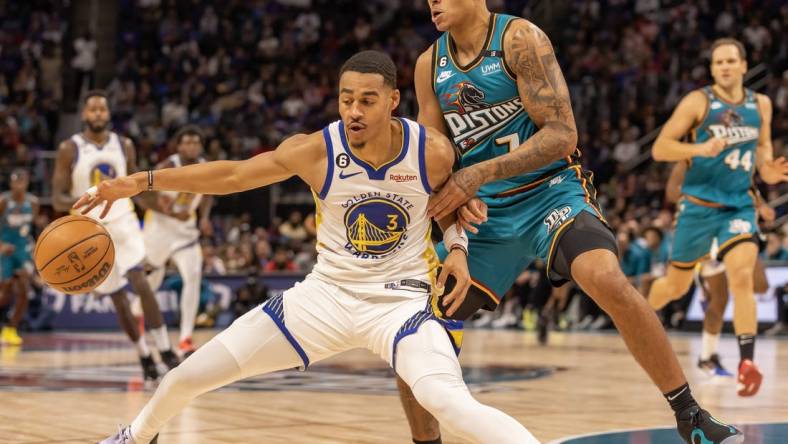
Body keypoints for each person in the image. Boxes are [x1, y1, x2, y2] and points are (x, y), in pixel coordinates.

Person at [85, 51, 539, 444]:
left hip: (401, 302)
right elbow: (234, 176)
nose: (354, 110)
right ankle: (136, 436)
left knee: (450, 404)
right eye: (346, 99)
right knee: (184, 377)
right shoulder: (317, 150)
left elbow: (450, 208)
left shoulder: (431, 152)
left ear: (394, 100)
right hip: (324, 297)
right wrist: (140, 181)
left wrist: (457, 248)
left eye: (367, 100)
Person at [396, 2, 743, 443]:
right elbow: (437, 167)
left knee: (605, 278)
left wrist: (481, 172)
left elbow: (562, 134)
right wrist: (456, 238)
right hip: (487, 215)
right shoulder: (429, 65)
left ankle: (689, 412)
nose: (433, 1)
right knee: (412, 330)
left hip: (550, 193)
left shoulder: (520, 40)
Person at [648, 38, 788, 397]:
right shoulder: (698, 101)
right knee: (674, 287)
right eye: (718, 62)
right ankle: (639, 312)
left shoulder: (762, 105)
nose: (724, 67)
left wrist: (768, 172)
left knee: (742, 278)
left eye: (731, 61)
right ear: (712, 69)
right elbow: (660, 148)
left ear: (744, 65)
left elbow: (762, 151)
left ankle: (746, 362)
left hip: (738, 207)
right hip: (697, 208)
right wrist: (698, 148)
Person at [52, 90, 180, 381]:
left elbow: (135, 185)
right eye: (93, 110)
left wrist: (155, 203)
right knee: (117, 297)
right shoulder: (68, 149)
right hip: (89, 231)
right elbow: (57, 196)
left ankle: (165, 349)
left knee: (141, 282)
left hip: (123, 220)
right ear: (84, 114)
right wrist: (83, 199)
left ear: (108, 114)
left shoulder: (124, 145)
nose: (98, 114)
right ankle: (144, 355)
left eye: (102, 110)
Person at [664, 161, 771, 378]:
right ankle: (707, 357)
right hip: (707, 229)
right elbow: (671, 193)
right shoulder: (689, 159)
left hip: (738, 225)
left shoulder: (741, 157)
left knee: (760, 285)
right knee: (719, 299)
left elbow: (749, 189)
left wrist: (762, 205)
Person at [142, 125, 213, 357]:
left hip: (186, 231)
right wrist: (167, 209)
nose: (192, 146)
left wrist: (204, 217)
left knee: (193, 277)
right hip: (159, 229)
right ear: (179, 146)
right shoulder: (168, 166)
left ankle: (185, 338)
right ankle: (138, 314)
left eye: (196, 142)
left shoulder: (206, 167)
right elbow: (143, 195)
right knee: (152, 280)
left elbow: (211, 192)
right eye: (187, 142)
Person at [0, 169, 37, 345]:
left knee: (23, 290)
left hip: (23, 251)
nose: (19, 185)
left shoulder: (33, 203)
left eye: (22, 181)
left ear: (27, 183)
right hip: (5, 249)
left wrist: (36, 247)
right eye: (16, 182)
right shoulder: (4, 201)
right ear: (11, 183)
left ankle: (11, 329)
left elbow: (32, 229)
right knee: (4, 292)